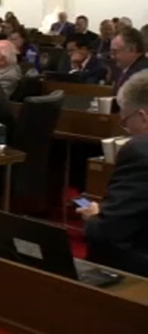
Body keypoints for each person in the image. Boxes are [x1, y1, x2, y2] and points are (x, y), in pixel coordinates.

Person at [78, 71, 148, 276]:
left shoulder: (140, 151)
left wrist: (94, 218)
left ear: (143, 117)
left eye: (125, 122)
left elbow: (107, 234)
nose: (127, 131)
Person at [111, 27, 148, 95]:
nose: (112, 56)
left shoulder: (142, 74)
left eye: (115, 52)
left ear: (132, 49)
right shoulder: (125, 69)